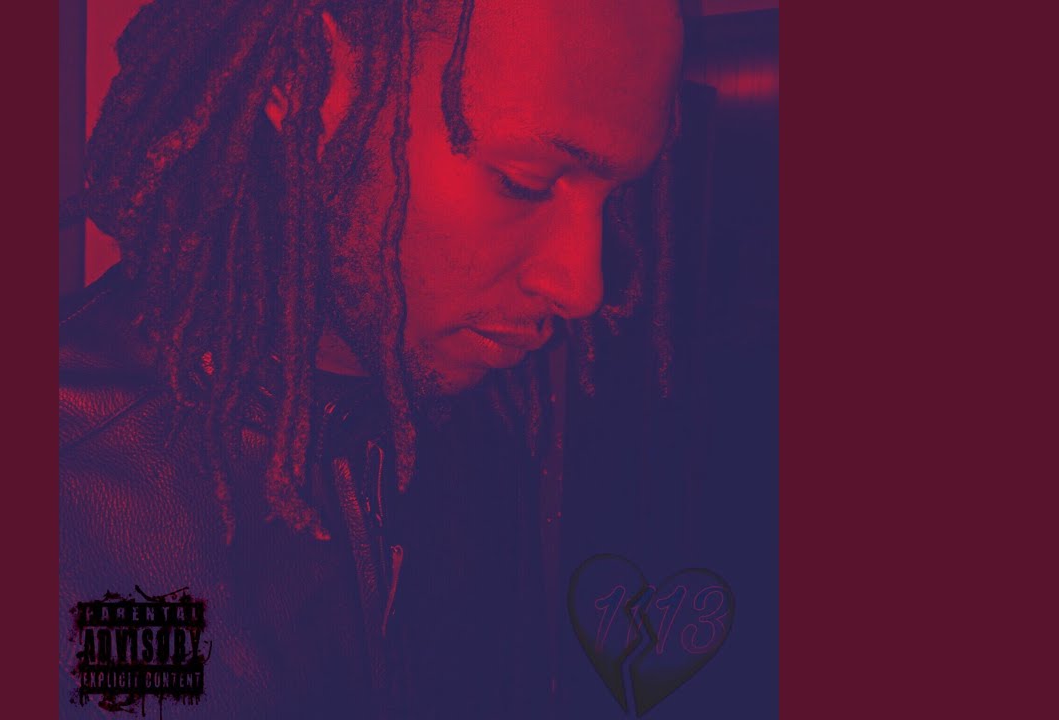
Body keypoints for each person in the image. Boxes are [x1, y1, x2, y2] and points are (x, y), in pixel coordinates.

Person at [60, 0, 683, 716]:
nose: (582, 287)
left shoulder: (481, 425)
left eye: (616, 198)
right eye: (525, 181)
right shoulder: (69, 486)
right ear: (303, 78)